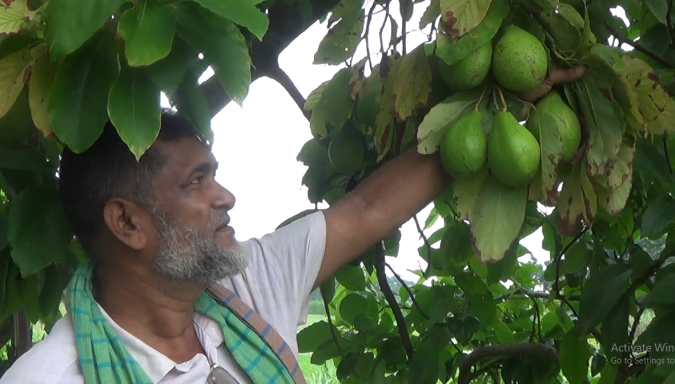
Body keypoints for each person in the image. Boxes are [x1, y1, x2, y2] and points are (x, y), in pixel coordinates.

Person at [0, 66, 585, 384]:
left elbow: (367, 211)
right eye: (196, 182)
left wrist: (501, 105)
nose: (224, 196)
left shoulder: (246, 290)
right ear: (126, 222)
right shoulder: (48, 378)